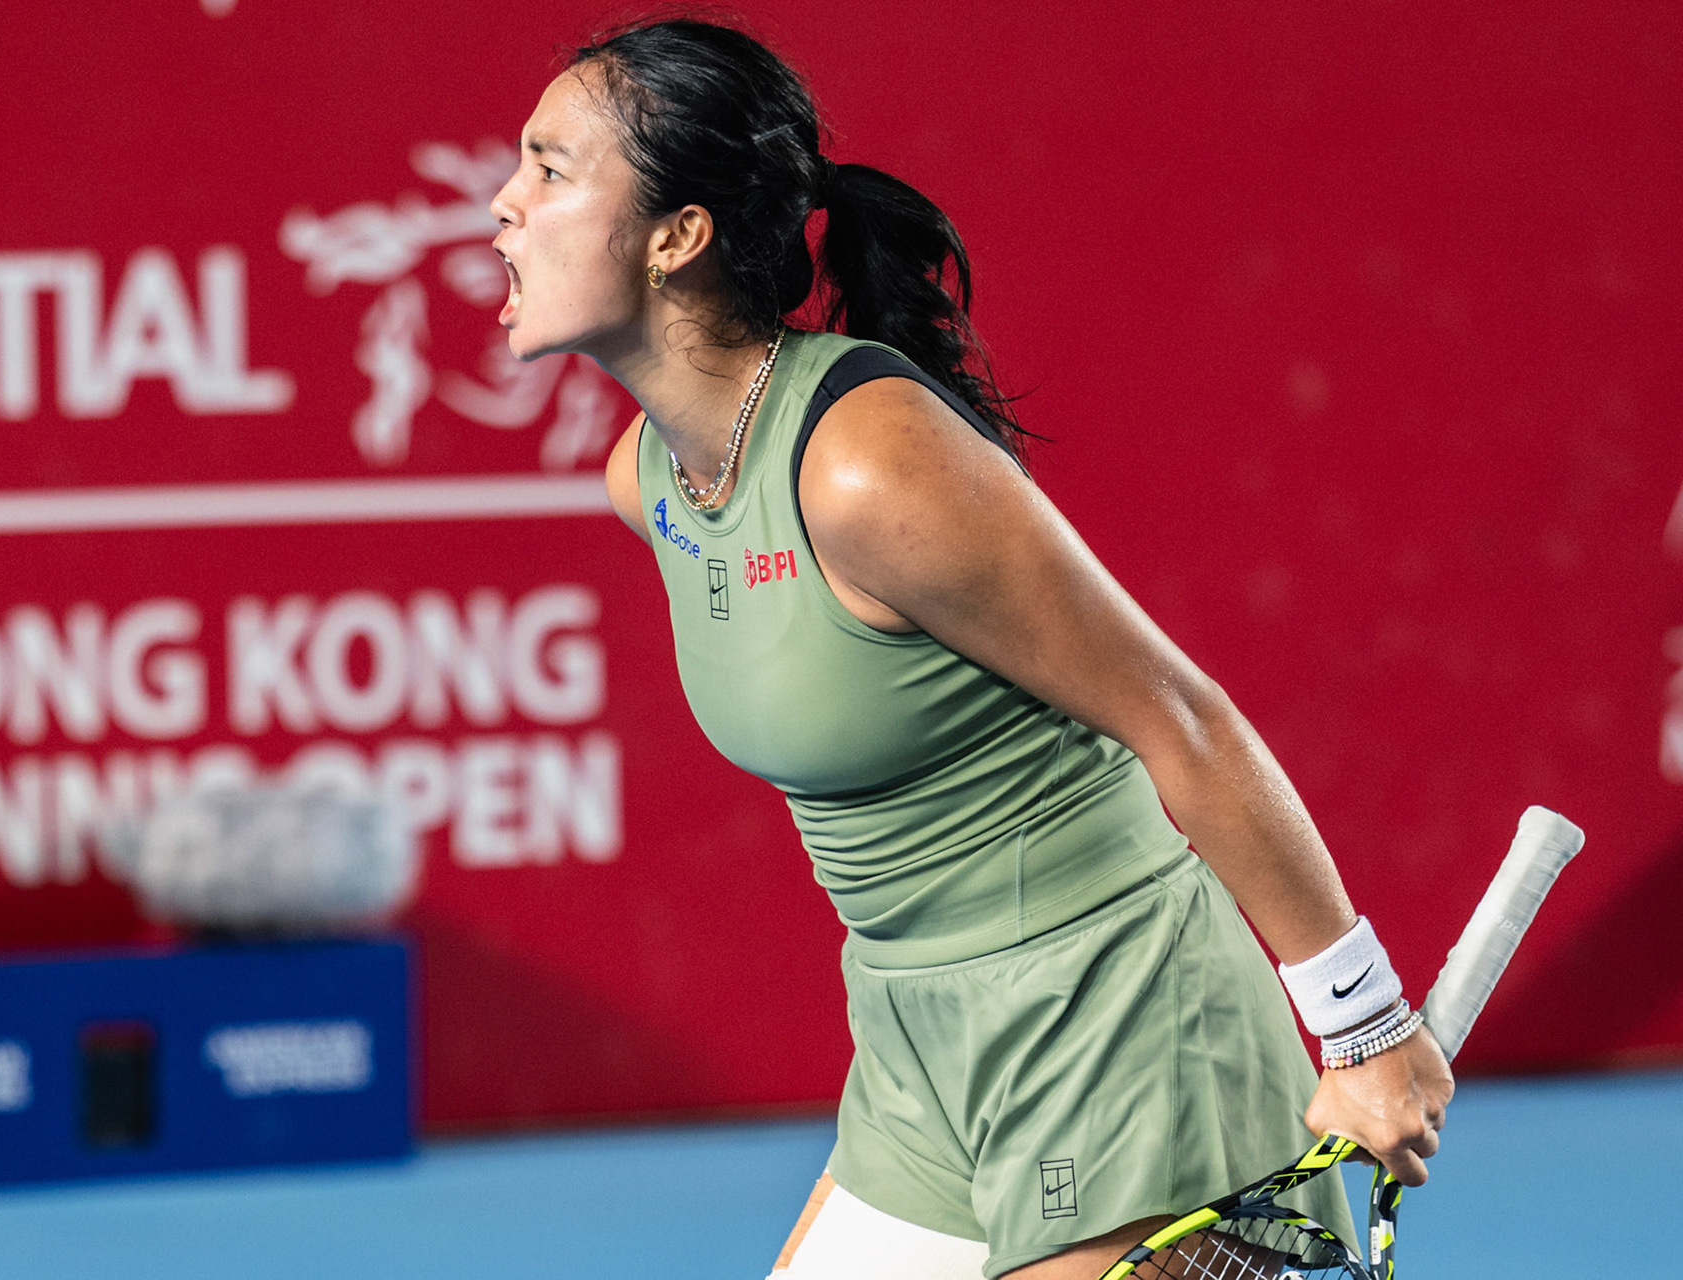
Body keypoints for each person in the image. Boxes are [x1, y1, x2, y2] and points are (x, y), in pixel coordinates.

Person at [487, 19, 1453, 1280]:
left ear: (678, 236)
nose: (504, 205)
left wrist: (1364, 1023)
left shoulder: (864, 457)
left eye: (552, 170)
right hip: (914, 1048)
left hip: (1112, 1019)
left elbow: (1181, 715)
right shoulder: (651, 481)